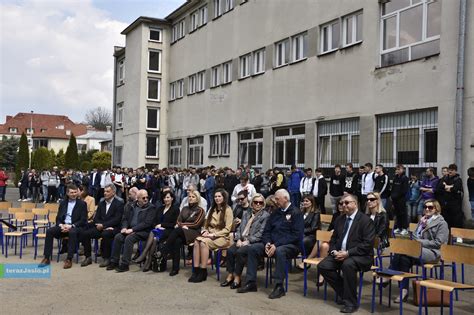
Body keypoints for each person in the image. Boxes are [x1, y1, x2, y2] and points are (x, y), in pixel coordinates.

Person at [237, 189, 304, 299]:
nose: (275, 201)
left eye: (277, 199)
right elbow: (267, 231)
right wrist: (267, 242)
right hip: (272, 244)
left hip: (290, 246)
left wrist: (276, 245)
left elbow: (296, 235)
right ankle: (251, 282)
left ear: (286, 199)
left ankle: (279, 286)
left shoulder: (296, 213)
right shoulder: (276, 213)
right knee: (253, 248)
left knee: (280, 251)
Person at [318, 194, 375, 313]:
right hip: (339, 254)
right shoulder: (340, 219)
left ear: (355, 204)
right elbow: (333, 239)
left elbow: (367, 244)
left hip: (360, 256)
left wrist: (347, 253)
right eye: (342, 203)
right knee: (323, 266)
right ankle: (346, 293)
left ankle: (351, 303)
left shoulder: (365, 221)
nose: (344, 205)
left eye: (347, 202)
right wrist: (333, 251)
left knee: (347, 264)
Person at [387, 199, 449, 303]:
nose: (427, 209)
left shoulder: (442, 223)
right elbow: (414, 235)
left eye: (430, 207)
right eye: (425, 207)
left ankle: (388, 275)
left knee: (404, 250)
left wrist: (419, 242)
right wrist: (417, 241)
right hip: (417, 251)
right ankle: (404, 290)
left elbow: (438, 243)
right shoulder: (422, 221)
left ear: (436, 209)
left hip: (433, 253)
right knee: (403, 258)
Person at [221, 193, 269, 289]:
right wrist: (238, 239)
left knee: (240, 252)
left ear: (263, 204)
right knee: (230, 251)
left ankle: (237, 277)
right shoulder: (247, 213)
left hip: (254, 242)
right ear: (252, 203)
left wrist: (248, 241)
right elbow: (239, 229)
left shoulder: (265, 216)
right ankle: (230, 274)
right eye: (256, 202)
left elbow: (261, 233)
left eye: (260, 202)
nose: (258, 204)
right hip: (242, 239)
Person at [38, 184, 88, 269]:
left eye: (75, 192)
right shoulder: (63, 203)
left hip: (75, 227)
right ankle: (46, 257)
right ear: (67, 193)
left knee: (72, 232)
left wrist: (71, 226)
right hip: (63, 226)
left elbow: (83, 220)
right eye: (72, 192)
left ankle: (69, 259)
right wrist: (61, 225)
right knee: (50, 231)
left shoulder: (82, 204)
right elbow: (58, 218)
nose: (74, 194)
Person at [189, 189, 233, 283]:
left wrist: (214, 234)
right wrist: (204, 231)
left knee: (204, 243)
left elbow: (227, 230)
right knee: (197, 241)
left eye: (219, 196)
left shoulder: (228, 210)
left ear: (224, 198)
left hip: (222, 237)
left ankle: (203, 271)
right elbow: (206, 224)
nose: (217, 198)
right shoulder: (212, 208)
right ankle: (196, 270)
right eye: (215, 196)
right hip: (210, 234)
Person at [297, 199, 345, 285]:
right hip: (331, 239)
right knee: (324, 246)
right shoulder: (336, 215)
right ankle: (321, 275)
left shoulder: (348, 217)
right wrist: (331, 232)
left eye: (342, 204)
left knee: (321, 239)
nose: (340, 206)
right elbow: (329, 228)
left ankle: (308, 259)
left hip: (341, 242)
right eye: (339, 204)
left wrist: (334, 232)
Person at [107, 189, 156, 272]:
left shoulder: (151, 208)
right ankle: (114, 261)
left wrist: (132, 230)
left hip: (144, 231)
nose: (146, 199)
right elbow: (125, 218)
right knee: (118, 237)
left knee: (129, 238)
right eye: (143, 198)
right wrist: (124, 227)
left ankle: (125, 264)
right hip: (130, 229)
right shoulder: (131, 206)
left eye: (147, 197)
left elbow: (146, 223)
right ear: (138, 198)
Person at [159, 190, 205, 276]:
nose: (190, 198)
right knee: (177, 241)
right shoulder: (184, 208)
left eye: (193, 197)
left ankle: (165, 249)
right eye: (189, 197)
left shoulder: (200, 210)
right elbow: (178, 221)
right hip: (183, 232)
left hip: (194, 233)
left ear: (197, 199)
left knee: (177, 230)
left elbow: (196, 224)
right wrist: (182, 226)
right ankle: (175, 268)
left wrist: (183, 225)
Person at [79, 184, 124, 267]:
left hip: (112, 227)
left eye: (107, 191)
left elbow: (117, 219)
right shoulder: (101, 202)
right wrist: (99, 224)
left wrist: (104, 225)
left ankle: (107, 258)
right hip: (100, 226)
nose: (105, 193)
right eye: (104, 191)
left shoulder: (119, 203)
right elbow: (96, 218)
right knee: (85, 233)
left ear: (113, 192)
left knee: (106, 234)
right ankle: (88, 257)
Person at [134, 190, 180, 272]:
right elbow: (154, 220)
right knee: (154, 238)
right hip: (158, 230)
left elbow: (174, 224)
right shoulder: (160, 208)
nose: (166, 199)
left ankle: (145, 255)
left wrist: (162, 225)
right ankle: (148, 262)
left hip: (169, 231)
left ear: (172, 198)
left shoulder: (175, 209)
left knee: (153, 233)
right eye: (164, 198)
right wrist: (157, 225)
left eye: (168, 197)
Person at [436, 164, 464, 229]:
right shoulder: (445, 178)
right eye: (449, 170)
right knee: (446, 222)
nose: (450, 172)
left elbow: (455, 189)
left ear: (455, 171)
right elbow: (439, 188)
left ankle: (456, 237)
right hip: (445, 204)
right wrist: (450, 186)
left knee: (456, 222)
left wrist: (447, 187)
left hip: (455, 205)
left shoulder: (458, 179)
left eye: (452, 170)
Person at [391, 164, 409, 235]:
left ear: (403, 170)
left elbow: (404, 190)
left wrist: (397, 196)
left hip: (401, 199)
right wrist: (392, 196)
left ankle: (405, 228)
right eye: (396, 169)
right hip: (395, 199)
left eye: (399, 169)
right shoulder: (395, 178)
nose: (397, 170)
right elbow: (393, 188)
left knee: (403, 214)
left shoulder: (405, 178)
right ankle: (399, 227)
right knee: (397, 214)